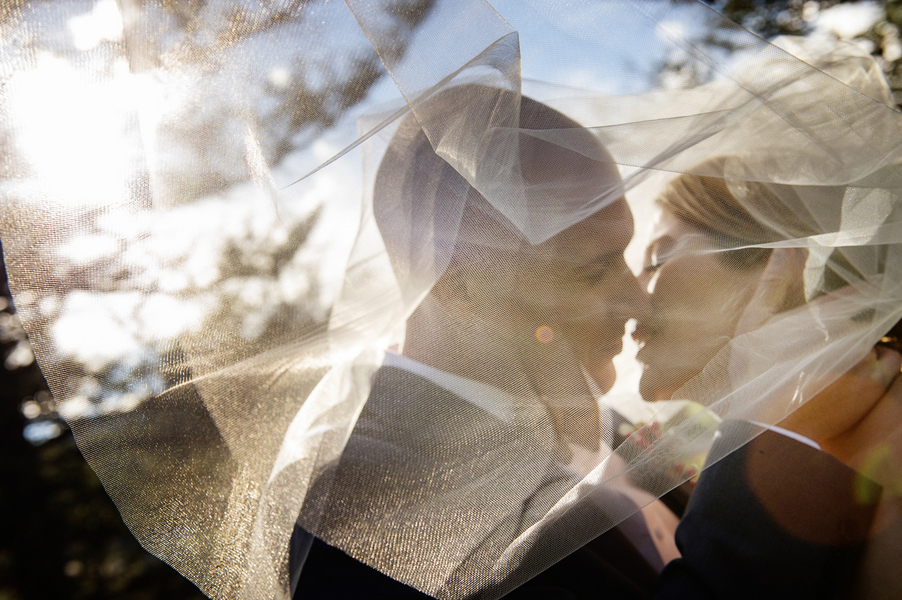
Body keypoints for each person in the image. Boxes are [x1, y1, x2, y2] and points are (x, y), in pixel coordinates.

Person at [288, 90, 891, 600]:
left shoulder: (614, 436)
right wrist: (772, 435)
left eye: (636, 256)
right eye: (593, 269)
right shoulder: (353, 506)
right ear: (463, 287)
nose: (635, 300)